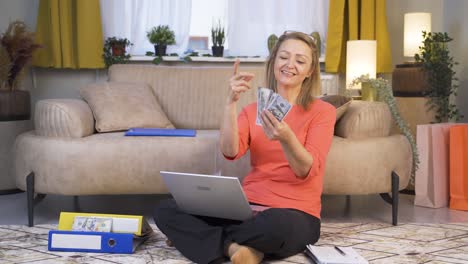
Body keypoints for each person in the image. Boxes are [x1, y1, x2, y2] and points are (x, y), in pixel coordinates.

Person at [153, 31, 336, 264]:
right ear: (273, 62)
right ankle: (236, 248)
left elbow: (305, 170)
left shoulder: (323, 112)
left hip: (293, 214)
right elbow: (230, 152)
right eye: (284, 57)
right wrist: (230, 103)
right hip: (247, 209)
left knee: (275, 226)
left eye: (300, 61)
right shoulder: (253, 110)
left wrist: (287, 138)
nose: (290, 65)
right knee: (165, 209)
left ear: (310, 71)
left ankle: (200, 239)